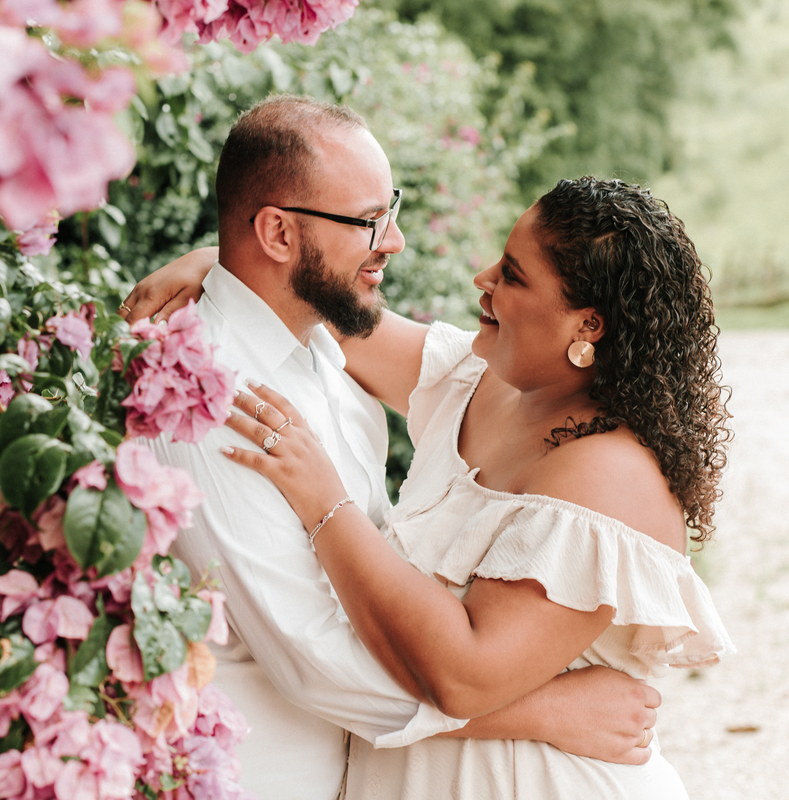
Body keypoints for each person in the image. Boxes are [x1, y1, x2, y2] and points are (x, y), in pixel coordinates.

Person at [120, 95, 666, 799]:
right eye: (370, 219)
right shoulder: (212, 398)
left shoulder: (328, 352)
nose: (397, 241)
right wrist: (545, 711)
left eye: (393, 209)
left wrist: (227, 263)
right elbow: (314, 657)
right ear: (280, 234)